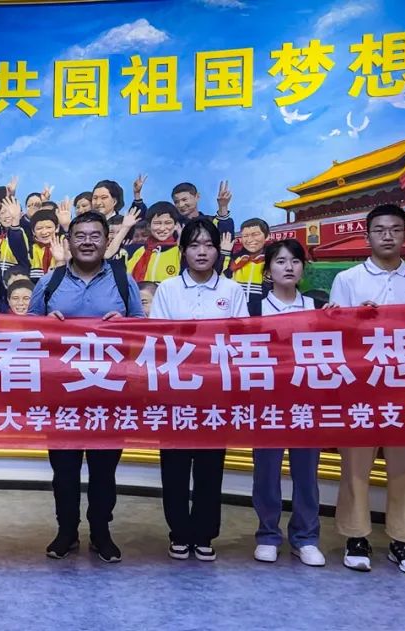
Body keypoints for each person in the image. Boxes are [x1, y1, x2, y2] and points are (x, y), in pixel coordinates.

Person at [28, 211, 144, 562]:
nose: (88, 242)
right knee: (64, 470)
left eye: (95, 236)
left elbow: (143, 329)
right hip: (61, 393)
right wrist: (45, 324)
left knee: (104, 470)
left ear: (107, 241)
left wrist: (125, 325)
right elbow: (26, 330)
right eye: (80, 236)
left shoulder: (123, 280)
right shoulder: (49, 281)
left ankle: (100, 531)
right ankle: (66, 531)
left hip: (110, 393)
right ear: (69, 241)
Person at [329, 204, 405, 575]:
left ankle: (403, 540)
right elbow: (335, 335)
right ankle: (355, 536)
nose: (387, 235)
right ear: (367, 236)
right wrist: (356, 319)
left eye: (394, 229)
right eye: (379, 230)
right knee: (355, 466)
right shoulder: (348, 279)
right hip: (361, 387)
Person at [150, 218, 248, 562]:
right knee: (174, 467)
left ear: (218, 251)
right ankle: (179, 532)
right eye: (194, 245)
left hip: (215, 394)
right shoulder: (168, 289)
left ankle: (204, 534)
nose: (202, 252)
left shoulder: (232, 291)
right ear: (183, 251)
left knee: (210, 466)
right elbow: (158, 341)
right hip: (175, 393)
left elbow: (240, 341)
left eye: (208, 245)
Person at [249, 239, 334, 568]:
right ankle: (268, 534)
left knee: (306, 473)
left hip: (306, 403)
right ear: (268, 269)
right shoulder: (253, 308)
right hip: (266, 403)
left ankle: (305, 537)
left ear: (303, 268)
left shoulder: (318, 306)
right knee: (266, 472)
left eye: (295, 261)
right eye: (281, 261)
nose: (288, 267)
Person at [124, 202, 182, 283]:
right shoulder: (139, 252)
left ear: (176, 226)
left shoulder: (180, 253)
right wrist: (125, 228)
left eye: (168, 223)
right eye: (157, 223)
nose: (162, 228)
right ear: (149, 226)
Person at [170, 181, 235, 242]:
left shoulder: (211, 221)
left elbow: (227, 240)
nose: (180, 205)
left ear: (197, 197)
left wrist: (223, 206)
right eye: (176, 202)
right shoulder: (173, 225)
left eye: (184, 199)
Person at [225, 218, 269, 300]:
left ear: (267, 236)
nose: (250, 240)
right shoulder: (235, 259)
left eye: (255, 234)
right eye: (245, 236)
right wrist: (225, 254)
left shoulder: (272, 260)